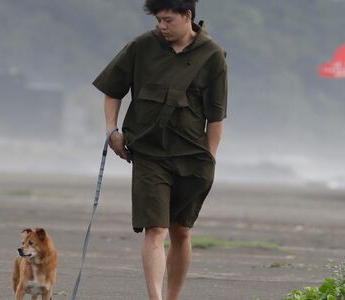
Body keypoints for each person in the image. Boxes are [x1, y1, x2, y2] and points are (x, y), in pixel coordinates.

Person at [92, 0, 227, 299]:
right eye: (158, 21)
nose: (162, 27)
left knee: (181, 231)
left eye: (168, 20)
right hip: (150, 154)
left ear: (187, 16)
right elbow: (112, 89)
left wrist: (209, 161)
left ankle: (172, 297)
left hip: (192, 157)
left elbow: (216, 117)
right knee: (155, 229)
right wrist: (111, 130)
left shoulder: (212, 56)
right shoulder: (142, 46)